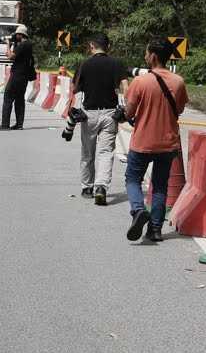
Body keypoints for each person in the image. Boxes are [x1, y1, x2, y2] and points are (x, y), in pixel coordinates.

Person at [123, 38, 189, 243]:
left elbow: (129, 111)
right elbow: (179, 109)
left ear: (152, 56)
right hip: (168, 142)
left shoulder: (141, 82)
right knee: (160, 186)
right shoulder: (178, 82)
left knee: (133, 179)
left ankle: (138, 210)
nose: (144, 57)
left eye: (146, 53)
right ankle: (155, 230)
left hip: (143, 140)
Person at [72, 33, 130, 205]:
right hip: (110, 114)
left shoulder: (84, 64)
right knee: (105, 153)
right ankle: (101, 187)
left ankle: (87, 187)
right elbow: (125, 88)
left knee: (87, 153)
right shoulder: (116, 64)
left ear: (91, 46)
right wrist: (126, 109)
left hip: (89, 114)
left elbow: (75, 89)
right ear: (108, 47)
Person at [0, 25, 35, 130]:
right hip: (24, 77)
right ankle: (19, 124)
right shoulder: (28, 45)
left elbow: (10, 56)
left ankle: (5, 125)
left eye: (17, 34)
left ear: (21, 35)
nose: (15, 36)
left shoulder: (22, 45)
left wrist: (8, 44)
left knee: (8, 97)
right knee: (19, 100)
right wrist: (14, 43)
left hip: (17, 75)